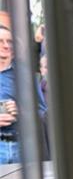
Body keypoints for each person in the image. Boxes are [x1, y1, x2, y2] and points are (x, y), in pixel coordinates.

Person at [0, 25, 47, 165]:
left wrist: (22, 111)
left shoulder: (25, 74)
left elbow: (42, 112)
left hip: (23, 147)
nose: (6, 46)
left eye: (10, 42)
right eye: (0, 41)